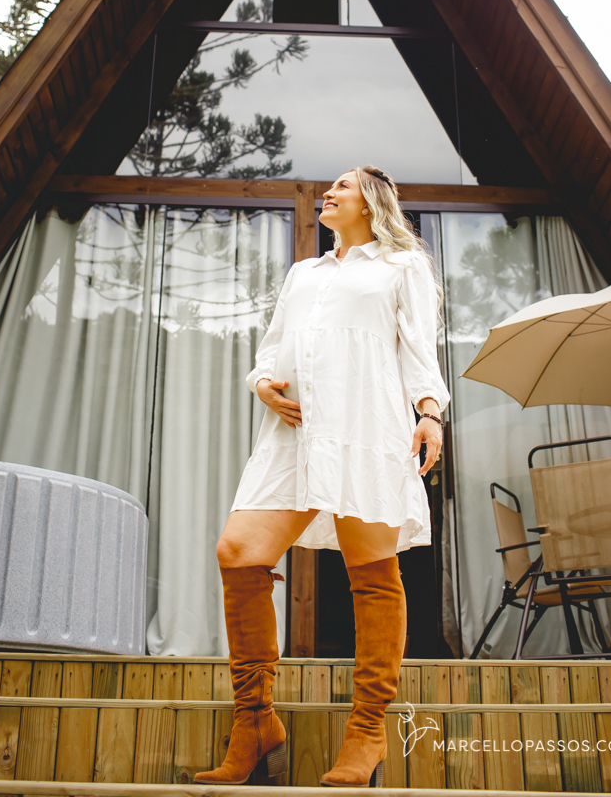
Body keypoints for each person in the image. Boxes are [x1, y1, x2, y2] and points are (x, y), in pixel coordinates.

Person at [194, 165, 450, 788]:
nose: (329, 193)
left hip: (365, 428)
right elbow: (273, 344)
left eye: (342, 186)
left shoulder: (401, 266)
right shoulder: (303, 273)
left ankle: (367, 732)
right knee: (238, 552)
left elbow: (419, 348)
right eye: (329, 187)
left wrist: (429, 413)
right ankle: (255, 721)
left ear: (372, 201)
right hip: (294, 433)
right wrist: (263, 384)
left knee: (373, 570)